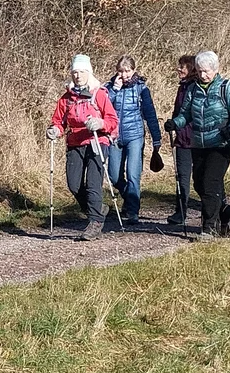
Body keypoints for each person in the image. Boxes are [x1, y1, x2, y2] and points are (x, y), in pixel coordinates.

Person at [163, 50, 230, 238]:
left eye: (206, 71)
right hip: (199, 143)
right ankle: (225, 211)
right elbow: (186, 114)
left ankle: (209, 228)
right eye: (199, 71)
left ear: (215, 69)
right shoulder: (193, 89)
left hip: (220, 143)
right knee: (199, 184)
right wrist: (175, 123)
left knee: (210, 183)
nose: (203, 75)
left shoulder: (227, 87)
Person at [46, 54, 119, 242]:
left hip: (97, 141)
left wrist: (100, 123)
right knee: (74, 184)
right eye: (74, 72)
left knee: (93, 184)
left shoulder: (98, 94)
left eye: (81, 72)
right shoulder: (66, 98)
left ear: (89, 72)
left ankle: (95, 222)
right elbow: (59, 122)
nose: (77, 76)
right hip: (75, 143)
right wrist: (55, 130)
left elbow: (112, 120)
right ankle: (98, 209)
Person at [103, 55, 161, 225]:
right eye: (121, 71)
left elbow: (150, 114)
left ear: (133, 70)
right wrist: (114, 90)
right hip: (114, 137)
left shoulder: (141, 88)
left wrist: (156, 139)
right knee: (114, 176)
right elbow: (102, 107)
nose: (124, 75)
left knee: (133, 174)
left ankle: (133, 211)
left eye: (127, 71)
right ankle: (130, 198)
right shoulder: (108, 87)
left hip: (135, 136)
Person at [166, 53, 196, 226]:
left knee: (201, 178)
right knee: (182, 176)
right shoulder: (182, 87)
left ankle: (216, 210)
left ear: (191, 69)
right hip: (183, 139)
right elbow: (178, 111)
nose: (178, 69)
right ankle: (181, 211)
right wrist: (172, 123)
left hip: (198, 140)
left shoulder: (196, 87)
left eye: (182, 67)